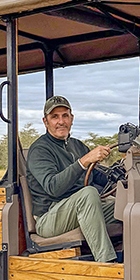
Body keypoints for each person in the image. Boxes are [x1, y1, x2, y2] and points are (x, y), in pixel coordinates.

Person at [26, 96, 119, 263]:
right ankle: (106, 264)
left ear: (72, 119)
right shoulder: (39, 150)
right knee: (88, 194)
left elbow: (96, 175)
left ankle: (139, 261)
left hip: (80, 209)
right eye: (55, 117)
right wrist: (83, 162)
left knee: (127, 203)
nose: (61, 121)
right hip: (49, 217)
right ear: (45, 121)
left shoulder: (77, 145)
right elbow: (53, 187)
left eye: (65, 116)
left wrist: (122, 178)